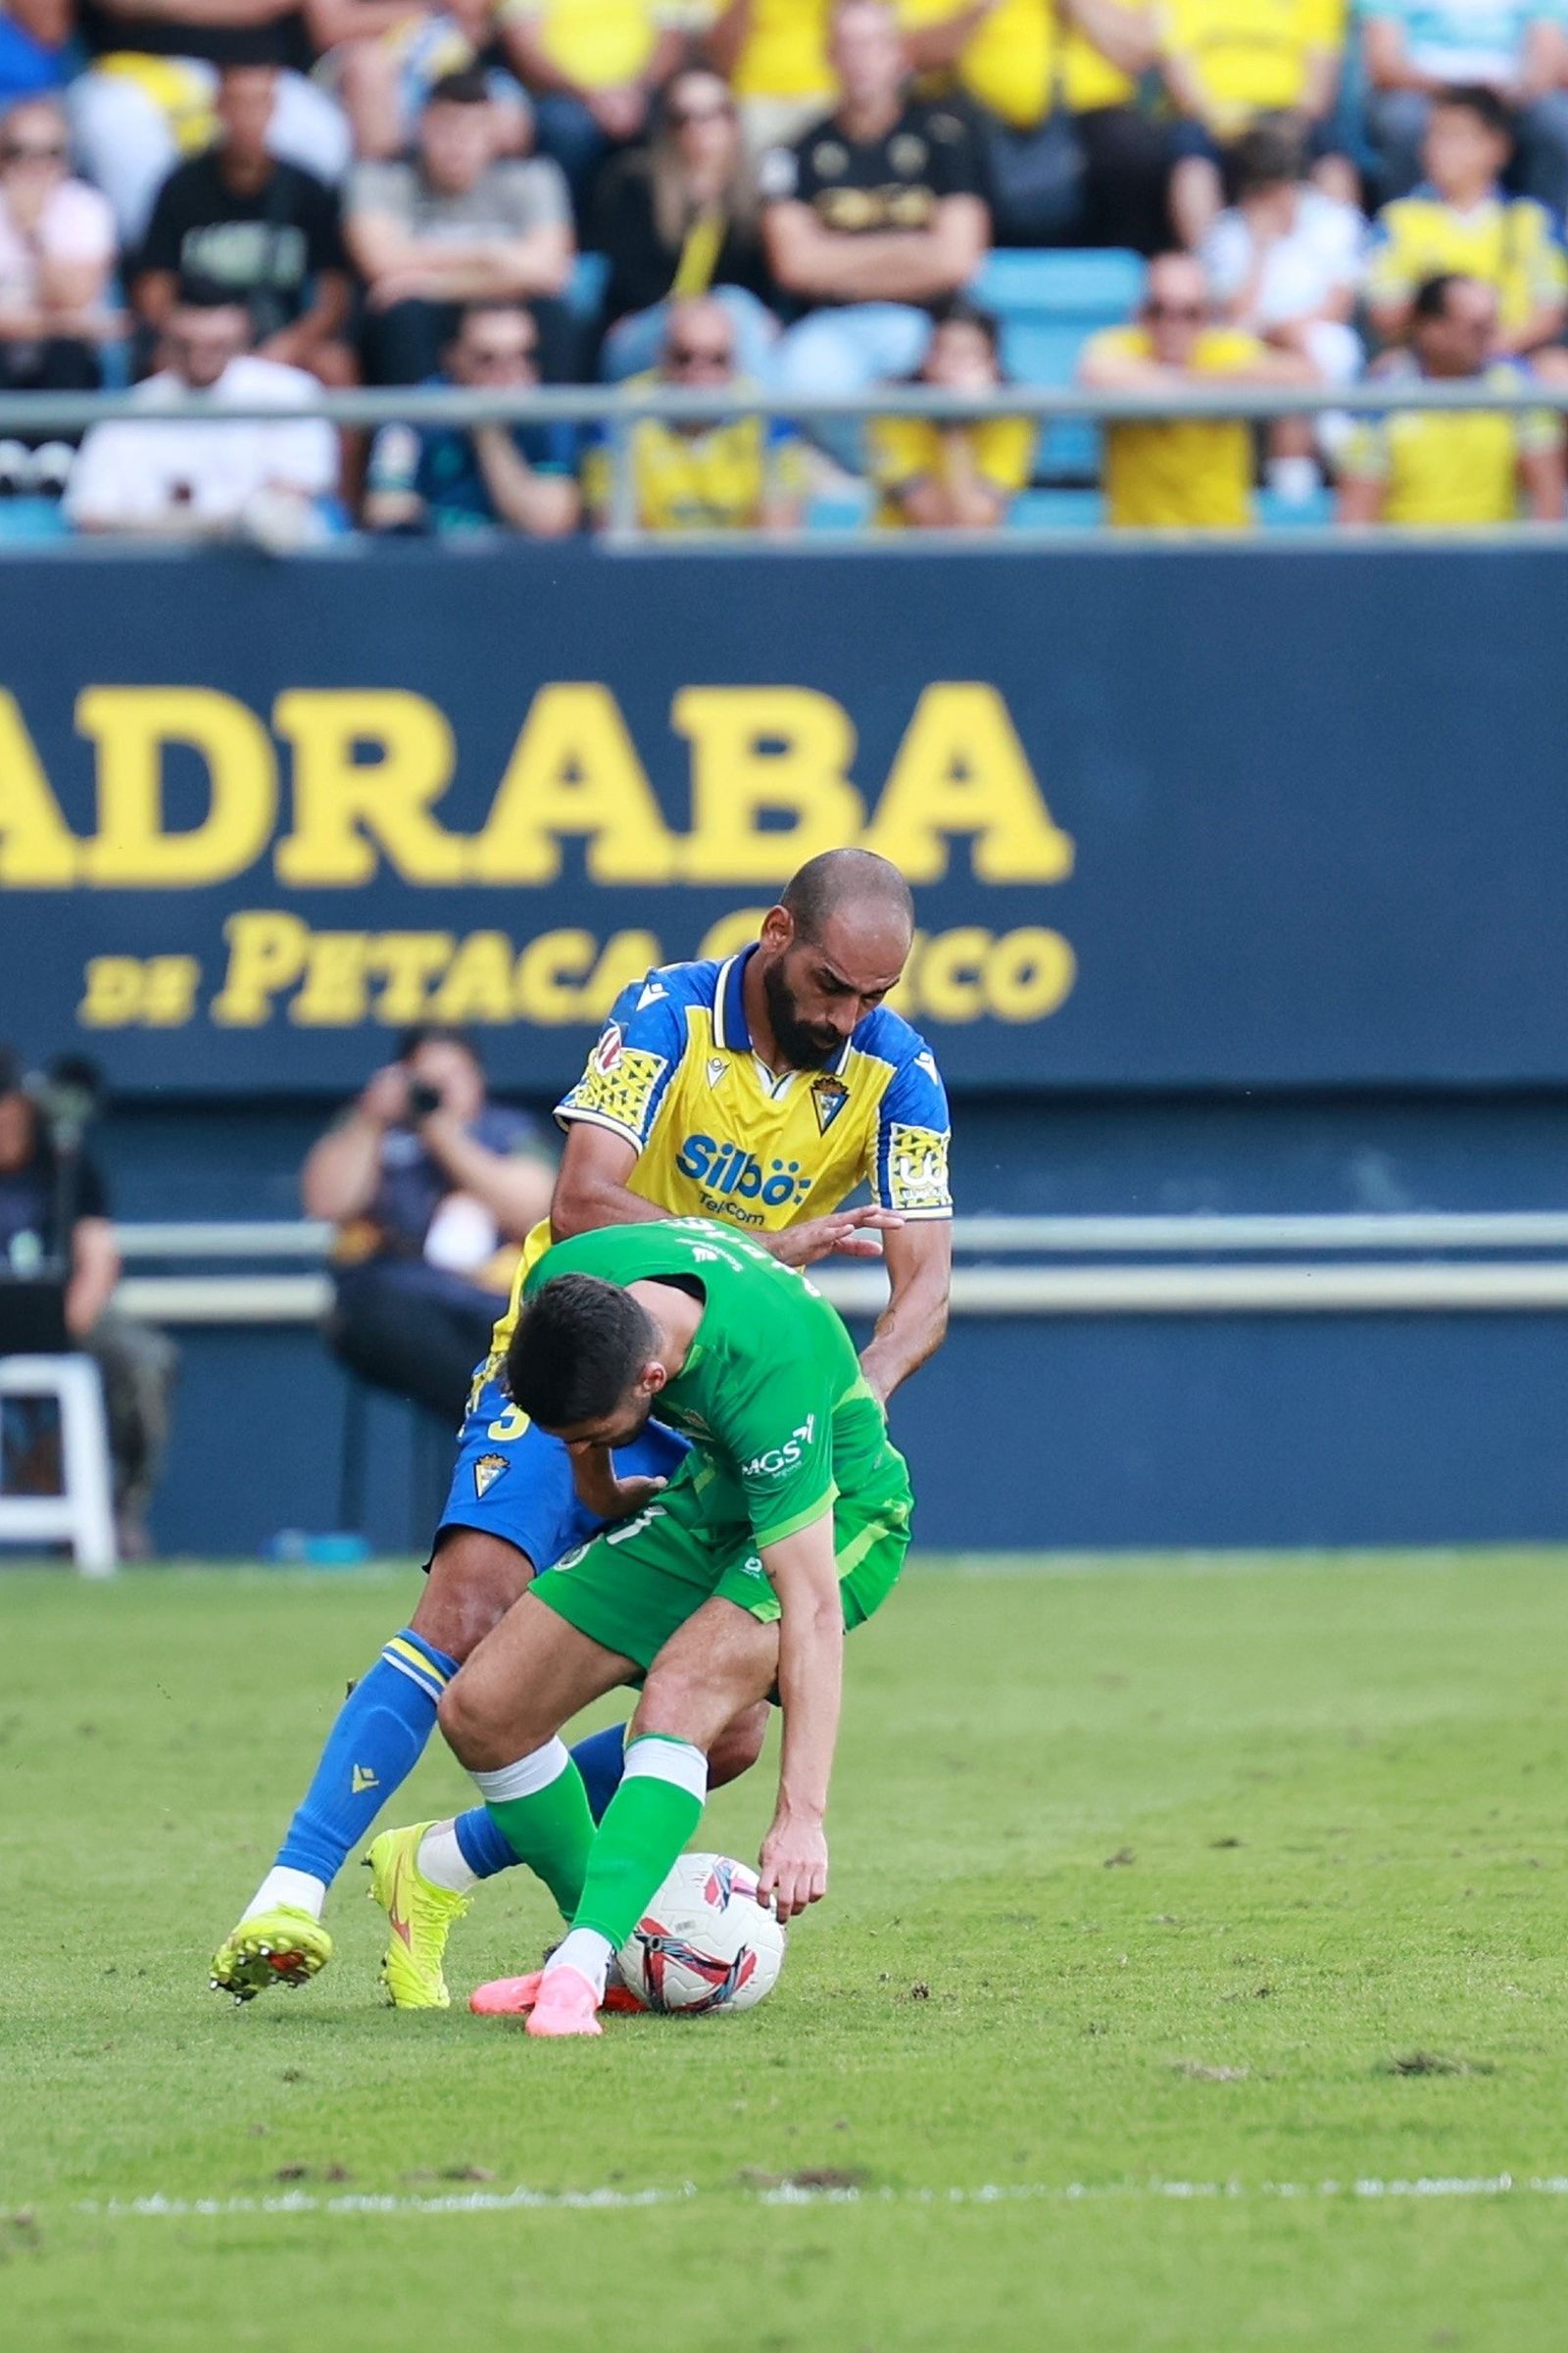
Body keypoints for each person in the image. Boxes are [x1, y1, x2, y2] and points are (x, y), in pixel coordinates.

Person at [209, 849, 954, 2008]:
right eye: (828, 985)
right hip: (581, 1356)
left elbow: (925, 1293)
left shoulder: (898, 1074)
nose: (845, 1017)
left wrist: (849, 1396)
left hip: (722, 1397)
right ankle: (291, 1892)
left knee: (724, 1733)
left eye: (873, 996)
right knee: (467, 1608)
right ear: (775, 933)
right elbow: (582, 1202)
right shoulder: (664, 1013)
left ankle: (442, 1865)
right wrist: (757, 1253)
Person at [430, 1214, 916, 2038]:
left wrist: (802, 1816)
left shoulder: (769, 1370)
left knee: (681, 1691)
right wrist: (600, 1481)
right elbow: (577, 1413)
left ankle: (579, 1966)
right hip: (708, 1495)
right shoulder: (568, 1280)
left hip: (841, 1516)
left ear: (652, 1378)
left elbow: (811, 1604)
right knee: (482, 1711)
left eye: (596, 1433)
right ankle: (608, 1951)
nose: (584, 1444)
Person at [762, 0, 990, 466]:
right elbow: (795, 265)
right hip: (830, 324)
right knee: (799, 379)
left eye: (873, 44)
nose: (861, 59)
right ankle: (875, 480)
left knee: (962, 377)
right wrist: (913, 249)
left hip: (927, 321)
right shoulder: (796, 149)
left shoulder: (945, 140)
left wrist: (836, 257)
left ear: (898, 53)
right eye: (848, 45)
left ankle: (906, 483)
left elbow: (958, 260)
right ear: (829, 55)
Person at [305, 1024, 556, 1424]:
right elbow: (327, 1203)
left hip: (490, 1306)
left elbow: (533, 1207)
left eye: (454, 1076)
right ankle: (490, 1414)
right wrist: (371, 1119)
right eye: (429, 1078)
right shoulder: (374, 1129)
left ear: (477, 1078)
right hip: (402, 1303)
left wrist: (443, 1134)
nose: (442, 1088)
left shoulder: (508, 1131)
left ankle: (495, 1411)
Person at [0, 1046, 176, 1560]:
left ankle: (113, 1506)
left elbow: (98, 1258)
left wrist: (61, 1327)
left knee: (144, 1362)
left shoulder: (64, 1162)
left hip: (61, 1317)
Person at [345, 67, 574, 386]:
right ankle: (411, 418)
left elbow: (550, 270)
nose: (458, 142)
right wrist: (504, 258)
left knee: (554, 314)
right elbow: (382, 262)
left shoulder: (534, 177)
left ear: (494, 131)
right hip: (433, 316)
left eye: (472, 129)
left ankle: (558, 417)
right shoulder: (379, 178)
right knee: (402, 315)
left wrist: (429, 282)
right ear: (421, 127)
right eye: (446, 127)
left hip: (503, 309)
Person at [66, 275, 338, 538]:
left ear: (243, 328)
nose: (201, 354)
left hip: (260, 567)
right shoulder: (129, 410)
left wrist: (176, 527)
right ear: (169, 330)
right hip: (155, 566)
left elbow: (288, 507)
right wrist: (217, 529)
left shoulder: (290, 393)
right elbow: (91, 516)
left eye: (216, 344)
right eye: (189, 344)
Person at [135, 65, 355, 389]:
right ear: (218, 107)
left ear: (274, 107)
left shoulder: (306, 190)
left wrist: (290, 345)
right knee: (159, 364)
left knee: (335, 366)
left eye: (258, 102)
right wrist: (193, 336)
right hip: (199, 338)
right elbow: (154, 290)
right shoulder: (181, 187)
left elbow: (334, 296)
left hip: (282, 337)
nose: (248, 115)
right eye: (238, 102)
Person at [67, 0, 351, 248]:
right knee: (114, 125)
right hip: (136, 68)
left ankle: (298, 273)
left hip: (252, 68)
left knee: (322, 132)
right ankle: (157, 270)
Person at [904, 0, 1174, 253]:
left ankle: (1134, 270)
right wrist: (980, 10)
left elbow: (1139, 54)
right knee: (937, 144)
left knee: (1132, 149)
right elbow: (910, 55)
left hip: (1091, 122)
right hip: (974, 121)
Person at [1078, 248, 1315, 527]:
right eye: (1158, 310)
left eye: (1189, 313)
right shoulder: (1119, 345)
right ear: (1139, 313)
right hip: (1136, 542)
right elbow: (1093, 375)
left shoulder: (1225, 348)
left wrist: (1178, 385)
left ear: (1207, 316)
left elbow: (1304, 376)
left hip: (1222, 541)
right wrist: (1212, 388)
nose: (1172, 324)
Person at [1201, 113, 1363, 497]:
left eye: (1281, 186)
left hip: (1316, 339)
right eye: (1262, 191)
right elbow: (1236, 316)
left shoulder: (1335, 220)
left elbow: (1339, 304)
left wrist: (1290, 333)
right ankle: (1336, 434)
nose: (1275, 200)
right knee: (1281, 371)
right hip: (1255, 348)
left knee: (1306, 370)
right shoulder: (1227, 234)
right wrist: (1260, 249)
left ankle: (1296, 501)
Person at [596, 65, 780, 383]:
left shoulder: (755, 194)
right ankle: (759, 414)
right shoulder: (636, 184)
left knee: (737, 309)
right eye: (682, 118)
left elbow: (762, 283)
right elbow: (630, 284)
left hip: (728, 328)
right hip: (651, 328)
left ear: (733, 122)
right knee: (723, 315)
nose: (697, 128)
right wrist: (690, 314)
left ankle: (748, 412)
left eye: (710, 115)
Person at [1338, 270, 1564, 524]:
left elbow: (1549, 496)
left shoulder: (1517, 386)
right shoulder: (1383, 396)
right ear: (1432, 329)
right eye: (1477, 329)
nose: (1492, 338)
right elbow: (1356, 515)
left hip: (1498, 548)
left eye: (1492, 325)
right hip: (1409, 549)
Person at [1365, 85, 1567, 359]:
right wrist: (1449, 306)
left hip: (1511, 362)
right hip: (1426, 366)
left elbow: (1550, 309)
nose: (1438, 149)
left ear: (1497, 147)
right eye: (1433, 136)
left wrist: (1485, 352)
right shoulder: (1398, 220)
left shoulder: (1531, 220)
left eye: (1455, 136)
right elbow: (1384, 312)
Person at [583, 293, 804, 530]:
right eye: (684, 358)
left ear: (735, 362)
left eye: (717, 360)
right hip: (652, 554)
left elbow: (779, 534)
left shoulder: (768, 416)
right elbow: (613, 529)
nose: (699, 374)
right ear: (662, 357)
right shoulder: (620, 415)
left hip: (740, 555)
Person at [365, 296, 579, 533]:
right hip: (435, 554)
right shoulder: (414, 412)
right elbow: (384, 511)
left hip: (520, 557)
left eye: (524, 356)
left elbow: (548, 523)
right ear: (452, 358)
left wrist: (488, 433)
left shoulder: (550, 416)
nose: (509, 373)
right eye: (487, 359)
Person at [1157, 0, 1348, 250]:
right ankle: (1213, 262)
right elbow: (1181, 80)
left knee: (1331, 159)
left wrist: (1281, 128)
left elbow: (1318, 92)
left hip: (1289, 115)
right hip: (1210, 116)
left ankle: (1339, 262)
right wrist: (1228, 121)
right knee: (1192, 158)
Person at [0, 94, 119, 482]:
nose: (35, 165)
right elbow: (76, 315)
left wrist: (33, 232)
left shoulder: (87, 209)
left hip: (64, 361)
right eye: (19, 152)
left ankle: (59, 455)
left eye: (49, 153)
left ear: (66, 159)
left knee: (67, 351)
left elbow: (75, 296)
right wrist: (66, 321)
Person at [1360, 0, 1568, 211]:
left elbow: (1548, 59)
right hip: (1422, 92)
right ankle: (1399, 222)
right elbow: (1385, 63)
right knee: (1404, 120)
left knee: (1555, 120)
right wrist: (1453, 95)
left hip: (1513, 97)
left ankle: (1549, 225)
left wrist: (1511, 93)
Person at [499, 0, 687, 206]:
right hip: (561, 93)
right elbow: (527, 48)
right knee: (567, 129)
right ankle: (565, 220)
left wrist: (635, 93)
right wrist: (591, 95)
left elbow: (670, 36)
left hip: (643, 91)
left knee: (691, 117)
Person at [867, 296, 1034, 525]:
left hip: (976, 550)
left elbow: (972, 526)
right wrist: (953, 421)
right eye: (942, 351)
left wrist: (958, 425)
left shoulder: (1012, 417)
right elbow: (933, 520)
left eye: (968, 355)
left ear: (992, 364)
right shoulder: (894, 409)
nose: (950, 367)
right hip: (897, 546)